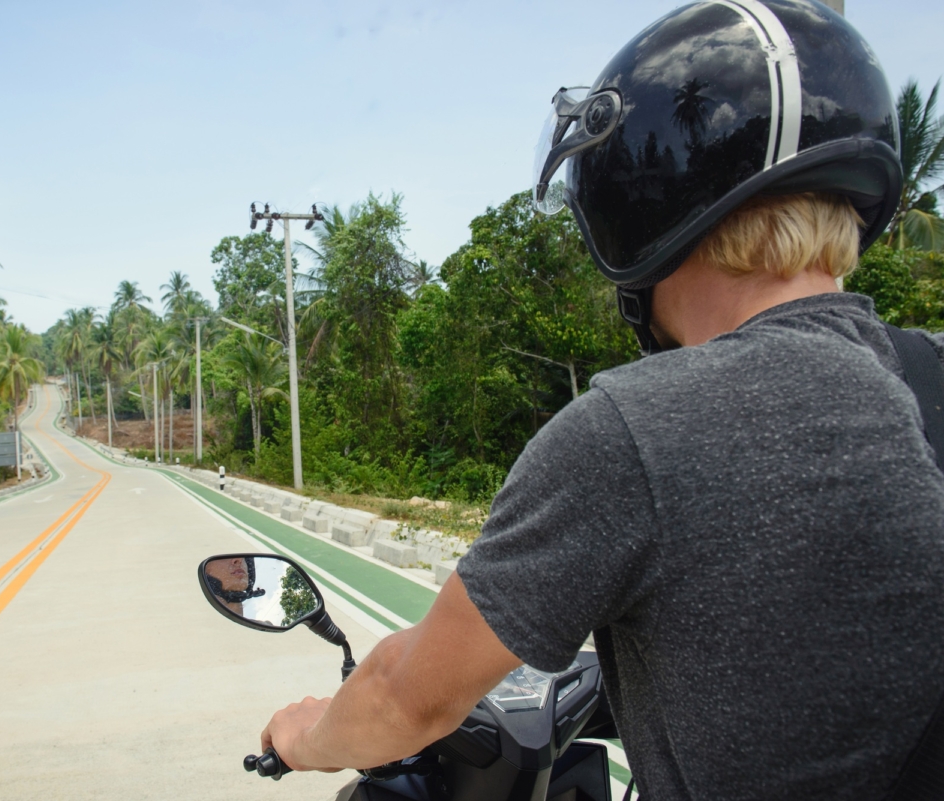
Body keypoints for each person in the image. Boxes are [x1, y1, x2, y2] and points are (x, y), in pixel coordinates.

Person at [257, 2, 944, 799]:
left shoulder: (634, 429)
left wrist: (305, 731)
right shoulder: (926, 379)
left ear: (640, 203)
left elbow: (405, 695)